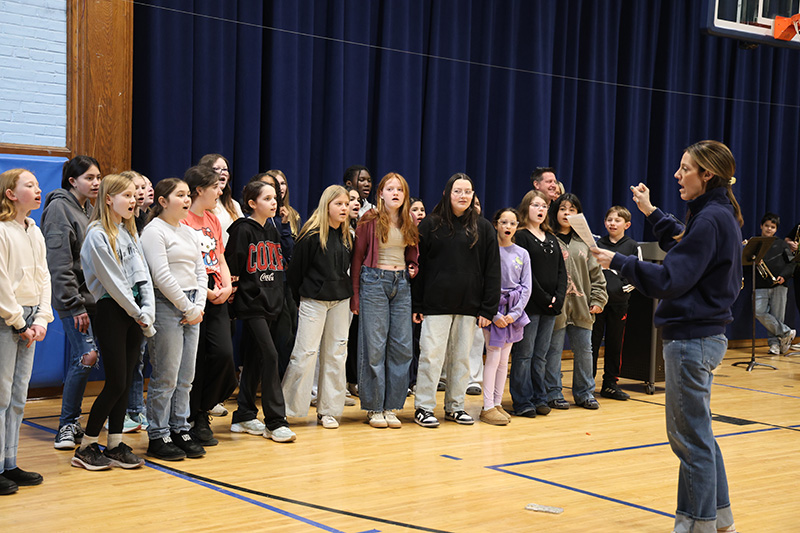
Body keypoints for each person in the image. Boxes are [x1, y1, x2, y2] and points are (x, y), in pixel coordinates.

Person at [591, 140, 742, 533]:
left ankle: (698, 524)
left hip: (692, 339)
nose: (677, 175)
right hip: (703, 336)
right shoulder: (716, 213)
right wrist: (650, 211)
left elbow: (671, 278)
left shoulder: (710, 219)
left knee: (689, 440)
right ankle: (719, 518)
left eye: (685, 168)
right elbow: (683, 240)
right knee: (700, 435)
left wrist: (618, 261)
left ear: (706, 174)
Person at [73, 173, 155, 470]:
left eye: (135, 195)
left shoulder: (130, 233)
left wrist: (148, 309)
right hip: (111, 312)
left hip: (134, 314)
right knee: (116, 382)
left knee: (126, 379)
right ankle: (85, 446)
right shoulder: (97, 234)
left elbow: (141, 274)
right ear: (109, 199)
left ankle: (115, 444)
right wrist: (138, 312)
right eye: (127, 196)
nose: (133, 201)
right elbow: (113, 281)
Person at [411, 173, 500, 428]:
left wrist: (487, 308)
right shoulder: (429, 225)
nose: (463, 196)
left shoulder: (483, 228)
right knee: (431, 357)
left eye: (468, 192)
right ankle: (424, 407)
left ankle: (455, 406)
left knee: (461, 358)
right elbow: (419, 268)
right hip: (435, 306)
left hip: (469, 306)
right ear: (447, 194)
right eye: (458, 191)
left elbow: (492, 270)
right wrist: (417, 305)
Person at [141, 178, 208, 461]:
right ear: (163, 201)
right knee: (165, 375)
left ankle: (180, 427)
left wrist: (198, 305)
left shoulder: (189, 231)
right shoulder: (154, 231)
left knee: (186, 377)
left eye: (187, 195)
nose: (186, 199)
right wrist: (186, 306)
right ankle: (158, 434)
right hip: (167, 304)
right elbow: (161, 275)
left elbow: (201, 272)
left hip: (192, 305)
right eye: (179, 195)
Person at [226, 181, 296, 443]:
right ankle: (275, 421)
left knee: (256, 356)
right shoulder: (242, 230)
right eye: (267, 198)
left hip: (272, 303)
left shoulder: (274, 229)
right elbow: (233, 268)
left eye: (275, 198)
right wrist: (233, 304)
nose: (274, 202)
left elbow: (283, 264)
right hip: (251, 304)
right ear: (252, 203)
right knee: (270, 355)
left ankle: (244, 414)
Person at [41, 156, 102, 450]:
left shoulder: (90, 209)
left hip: (95, 298)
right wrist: (73, 304)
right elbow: (59, 262)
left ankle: (77, 421)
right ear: (72, 181)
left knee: (92, 359)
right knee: (86, 356)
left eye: (98, 177)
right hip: (73, 300)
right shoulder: (59, 208)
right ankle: (66, 424)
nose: (96, 183)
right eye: (89, 178)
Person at [351, 173, 419, 428]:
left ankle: (392, 406)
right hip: (373, 281)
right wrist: (355, 295)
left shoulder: (410, 219)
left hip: (401, 283)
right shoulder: (369, 220)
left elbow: (412, 252)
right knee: (374, 346)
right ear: (380, 194)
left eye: (399, 190)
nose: (395, 193)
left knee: (402, 346)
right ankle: (374, 407)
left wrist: (413, 265)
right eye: (389, 189)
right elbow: (357, 259)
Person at [282, 185, 353, 429]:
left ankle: (328, 410)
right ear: (327, 206)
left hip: (340, 301)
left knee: (336, 354)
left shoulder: (347, 236)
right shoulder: (311, 235)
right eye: (339, 204)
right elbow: (295, 273)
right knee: (305, 354)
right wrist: (302, 296)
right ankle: (289, 408)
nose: (344, 208)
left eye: (346, 204)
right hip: (313, 300)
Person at [0, 169, 53, 494]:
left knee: (19, 396)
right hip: (9, 320)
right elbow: (2, 283)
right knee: (2, 395)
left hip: (31, 319)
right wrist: (19, 321)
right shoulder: (3, 231)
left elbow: (44, 276)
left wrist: (41, 319)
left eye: (37, 184)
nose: (38, 190)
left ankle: (10, 462)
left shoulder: (34, 230)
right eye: (29, 186)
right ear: (10, 194)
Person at [181, 165, 237, 446]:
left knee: (223, 355)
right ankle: (192, 417)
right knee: (196, 360)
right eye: (215, 186)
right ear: (199, 190)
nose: (220, 191)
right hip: (193, 296)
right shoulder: (183, 219)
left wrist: (225, 287)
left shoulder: (213, 219)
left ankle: (203, 409)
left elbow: (219, 258)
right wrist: (205, 290)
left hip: (217, 297)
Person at [545, 193, 607, 410]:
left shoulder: (586, 243)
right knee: (553, 351)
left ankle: (585, 393)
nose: (567, 213)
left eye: (572, 209)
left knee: (584, 351)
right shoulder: (549, 238)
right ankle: (553, 392)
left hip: (582, 307)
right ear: (556, 212)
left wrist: (598, 299)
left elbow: (597, 275)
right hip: (556, 308)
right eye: (563, 209)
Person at [509, 190, 567, 417]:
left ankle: (539, 396)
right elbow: (525, 274)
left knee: (541, 354)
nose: (541, 210)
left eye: (544, 206)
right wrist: (544, 297)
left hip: (551, 307)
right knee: (524, 354)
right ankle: (522, 400)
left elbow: (562, 272)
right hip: (530, 305)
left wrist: (559, 297)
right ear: (526, 208)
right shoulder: (521, 236)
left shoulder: (552, 238)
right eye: (535, 205)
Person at [480, 208, 531, 426]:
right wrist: (494, 313)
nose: (508, 227)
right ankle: (487, 406)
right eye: (504, 222)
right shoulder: (488, 251)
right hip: (494, 311)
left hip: (513, 313)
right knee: (492, 357)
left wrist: (514, 313)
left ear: (517, 226)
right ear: (496, 224)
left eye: (512, 223)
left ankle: (498, 402)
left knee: (503, 360)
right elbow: (482, 283)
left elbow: (526, 286)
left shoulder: (522, 253)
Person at [591, 206, 641, 400]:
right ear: (605, 222)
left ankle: (610, 384)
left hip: (619, 304)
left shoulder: (632, 246)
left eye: (617, 220)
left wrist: (622, 290)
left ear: (627, 225)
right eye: (609, 219)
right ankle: (587, 384)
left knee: (614, 344)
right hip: (596, 304)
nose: (612, 223)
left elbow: (637, 274)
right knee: (592, 344)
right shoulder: (597, 244)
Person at [750, 212, 795, 354]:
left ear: (776, 229)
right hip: (760, 284)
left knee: (777, 316)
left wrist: (783, 276)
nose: (769, 229)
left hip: (780, 285)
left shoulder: (781, 244)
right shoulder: (754, 243)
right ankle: (786, 332)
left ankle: (774, 345)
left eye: (773, 227)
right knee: (758, 311)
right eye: (767, 226)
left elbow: (792, 263)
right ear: (761, 226)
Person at [199, 154, 243, 246]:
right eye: (216, 169)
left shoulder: (234, 204)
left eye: (225, 169)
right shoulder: (199, 204)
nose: (222, 172)